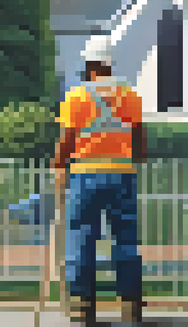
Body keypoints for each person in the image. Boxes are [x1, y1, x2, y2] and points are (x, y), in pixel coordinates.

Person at [55, 36, 146, 327]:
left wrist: (58, 163)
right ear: (109, 63)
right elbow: (139, 136)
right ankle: (131, 305)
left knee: (81, 236)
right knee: (126, 239)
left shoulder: (76, 96)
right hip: (122, 175)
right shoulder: (129, 95)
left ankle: (83, 307)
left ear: (90, 64)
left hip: (86, 175)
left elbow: (67, 138)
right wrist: (137, 159)